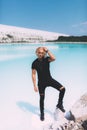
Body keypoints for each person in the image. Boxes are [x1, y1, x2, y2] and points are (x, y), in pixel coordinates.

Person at [31, 47, 65, 121]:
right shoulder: (34, 63)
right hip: (41, 84)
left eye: (42, 53)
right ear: (36, 53)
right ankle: (42, 113)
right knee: (42, 98)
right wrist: (34, 85)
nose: (40, 54)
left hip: (50, 80)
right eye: (39, 52)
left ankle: (59, 104)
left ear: (44, 53)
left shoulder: (47, 59)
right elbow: (33, 74)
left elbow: (54, 58)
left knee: (63, 89)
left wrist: (48, 50)